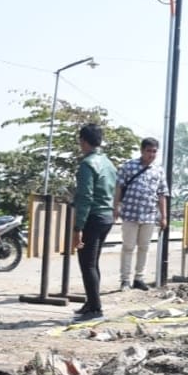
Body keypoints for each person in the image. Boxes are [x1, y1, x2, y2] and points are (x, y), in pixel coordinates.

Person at [70, 123, 117, 322]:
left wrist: (77, 227)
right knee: (93, 262)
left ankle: (95, 309)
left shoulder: (87, 164)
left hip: (93, 217)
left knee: (87, 263)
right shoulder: (108, 163)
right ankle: (91, 302)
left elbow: (85, 197)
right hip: (106, 216)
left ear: (83, 141)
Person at [113, 137, 169, 291]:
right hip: (130, 213)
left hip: (149, 215)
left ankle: (139, 278)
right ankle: (125, 280)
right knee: (128, 247)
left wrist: (163, 216)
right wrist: (116, 206)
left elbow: (162, 194)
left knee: (144, 247)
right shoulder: (129, 166)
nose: (151, 154)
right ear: (142, 150)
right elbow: (119, 187)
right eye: (149, 151)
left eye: (154, 151)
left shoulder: (158, 170)